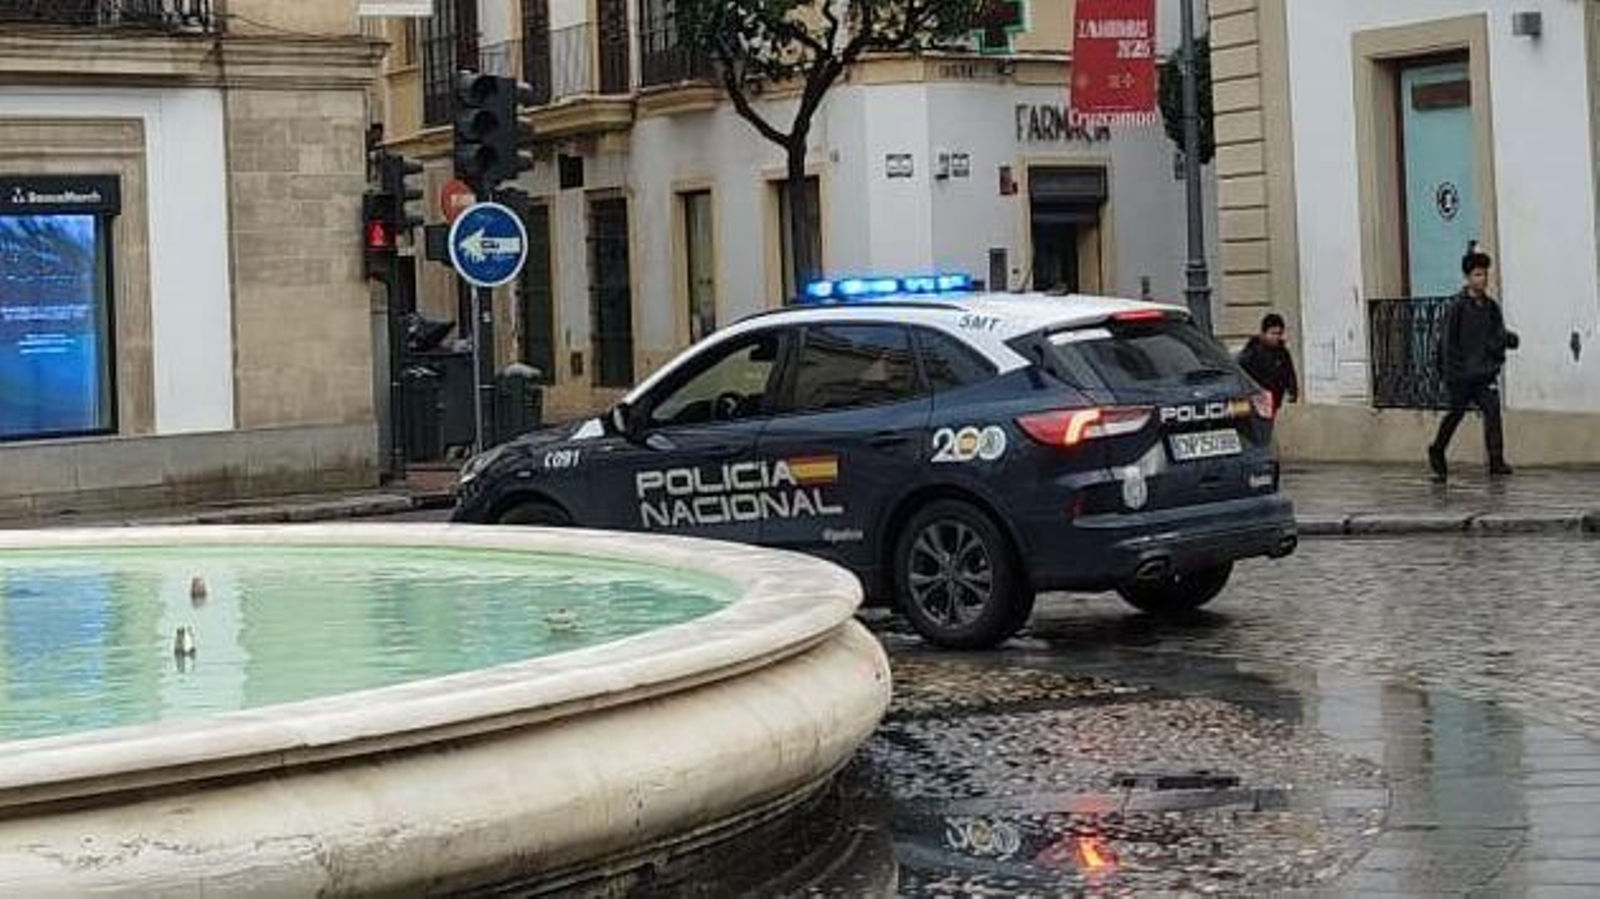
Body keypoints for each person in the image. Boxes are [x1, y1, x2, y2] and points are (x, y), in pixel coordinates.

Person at [1428, 243, 1519, 483]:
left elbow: (1496, 336)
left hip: (1484, 374)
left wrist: (1507, 342)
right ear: (1468, 278)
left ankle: (1496, 460)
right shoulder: (1457, 307)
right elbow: (1448, 343)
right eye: (1477, 274)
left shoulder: (1491, 308)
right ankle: (1437, 449)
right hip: (1460, 375)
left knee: (1492, 412)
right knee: (1455, 414)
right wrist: (1453, 373)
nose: (1482, 279)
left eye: (1484, 274)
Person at [1237, 313, 1300, 413]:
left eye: (1279, 333)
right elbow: (1241, 374)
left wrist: (1292, 394)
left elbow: (1290, 374)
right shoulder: (1252, 351)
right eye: (1273, 333)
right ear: (1263, 333)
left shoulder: (1283, 352)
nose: (1276, 337)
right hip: (1257, 402)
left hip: (1277, 401)